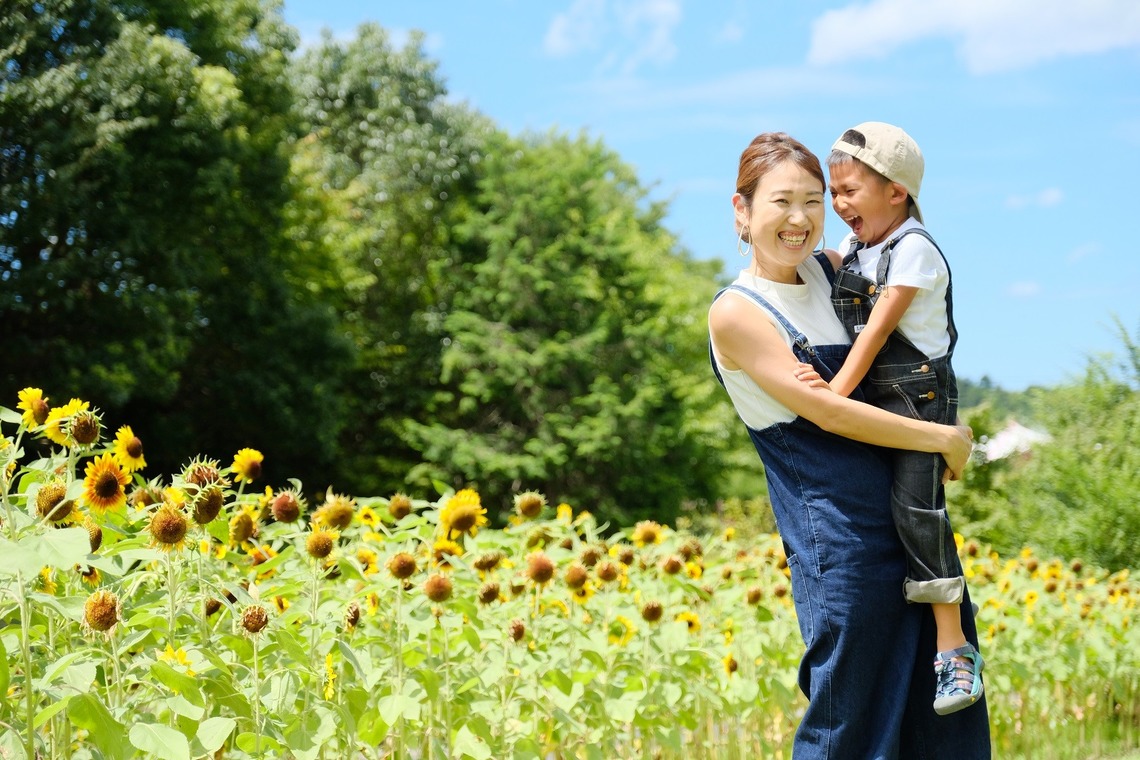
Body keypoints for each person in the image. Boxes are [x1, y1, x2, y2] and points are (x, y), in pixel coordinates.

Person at [707, 131, 990, 758]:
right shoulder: (738, 312)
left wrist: (933, 429)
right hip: (839, 541)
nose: (802, 218)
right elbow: (830, 414)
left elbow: (914, 332)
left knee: (943, 726)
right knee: (849, 725)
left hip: (910, 524)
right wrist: (944, 437)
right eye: (782, 201)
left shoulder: (838, 271)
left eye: (815, 199)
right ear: (741, 210)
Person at [818, 122, 981, 716]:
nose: (839, 204)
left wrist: (831, 397)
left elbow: (877, 331)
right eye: (833, 192)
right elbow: (819, 267)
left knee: (917, 512)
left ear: (896, 191)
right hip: (873, 398)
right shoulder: (858, 246)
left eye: (850, 190)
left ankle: (953, 649)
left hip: (917, 399)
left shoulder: (914, 248)